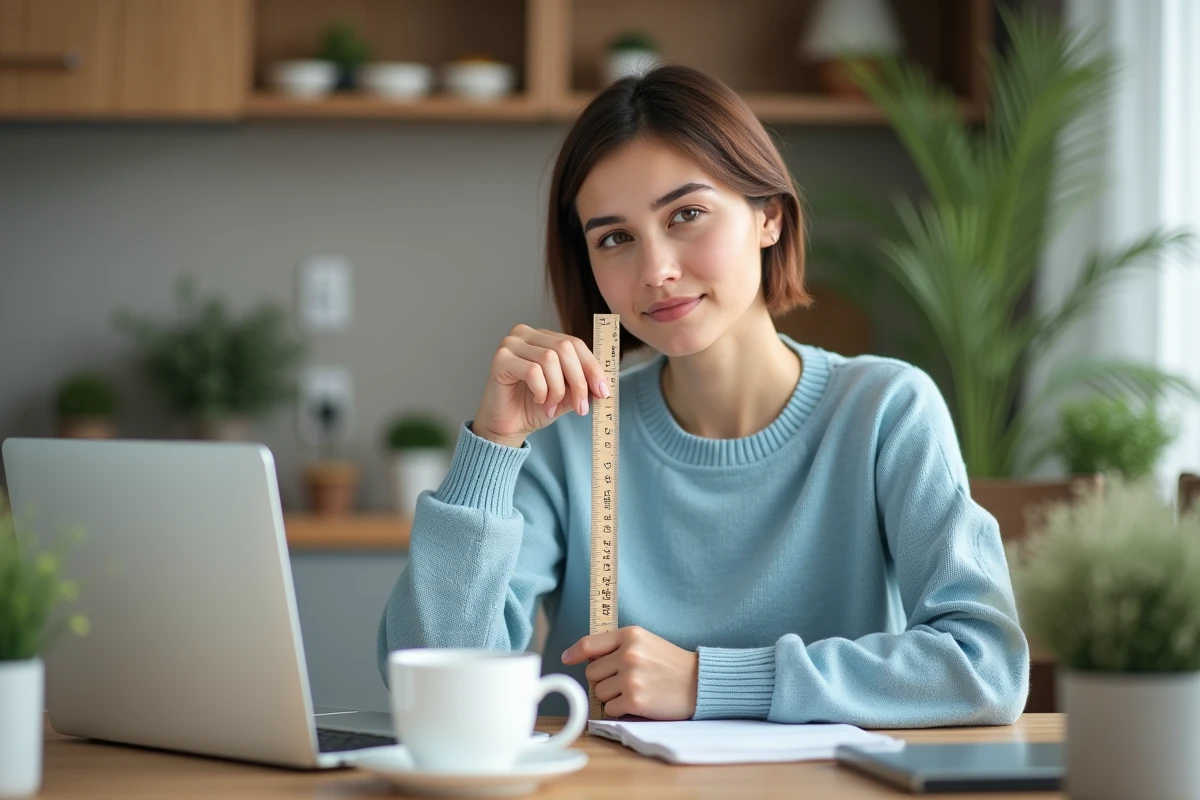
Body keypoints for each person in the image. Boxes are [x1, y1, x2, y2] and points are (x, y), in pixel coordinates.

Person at [377, 65, 1028, 727]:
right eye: (614, 238)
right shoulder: (567, 431)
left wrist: (707, 682)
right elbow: (429, 681)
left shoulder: (887, 410)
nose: (656, 271)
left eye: (686, 214)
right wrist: (492, 447)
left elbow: (985, 668)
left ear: (768, 217)